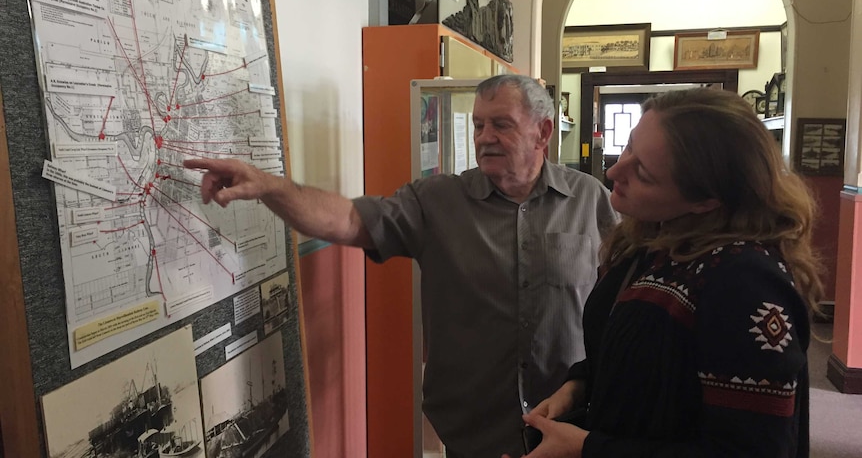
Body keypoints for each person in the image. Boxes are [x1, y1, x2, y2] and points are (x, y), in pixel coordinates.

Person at [184, 74, 618, 458]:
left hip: (567, 425)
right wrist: (267, 185)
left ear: (543, 133)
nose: (485, 137)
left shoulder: (591, 200)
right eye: (478, 125)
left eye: (501, 125)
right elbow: (348, 219)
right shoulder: (437, 201)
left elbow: (618, 303)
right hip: (473, 433)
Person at [510, 87, 823, 458]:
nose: (614, 170)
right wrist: (578, 385)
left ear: (705, 200)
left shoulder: (745, 284)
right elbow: (620, 351)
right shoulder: (650, 240)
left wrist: (587, 447)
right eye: (628, 147)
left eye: (642, 171)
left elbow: (753, 449)